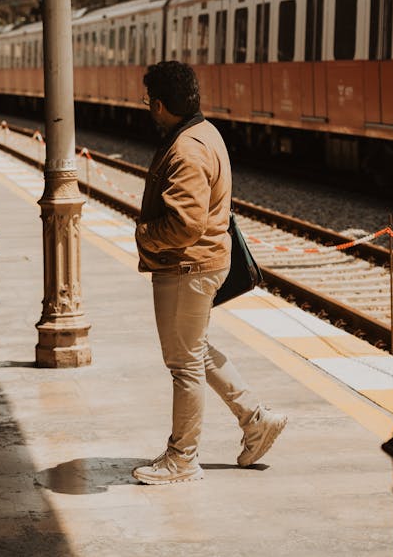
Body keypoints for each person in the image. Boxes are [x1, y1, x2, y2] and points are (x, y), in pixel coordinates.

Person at [132, 61, 287, 485]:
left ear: (161, 104)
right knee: (194, 351)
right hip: (201, 263)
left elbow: (185, 223)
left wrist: (145, 236)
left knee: (183, 364)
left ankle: (182, 457)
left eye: (149, 101)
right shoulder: (205, 132)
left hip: (188, 266)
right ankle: (256, 421)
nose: (148, 109)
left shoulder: (186, 149)